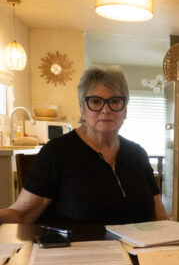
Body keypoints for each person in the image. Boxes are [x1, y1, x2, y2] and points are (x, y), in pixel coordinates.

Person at [0, 65, 169, 225]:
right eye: (95, 101)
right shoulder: (57, 153)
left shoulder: (138, 154)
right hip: (78, 253)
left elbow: (160, 216)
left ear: (125, 111)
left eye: (115, 101)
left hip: (138, 252)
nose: (106, 109)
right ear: (82, 109)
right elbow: (21, 214)